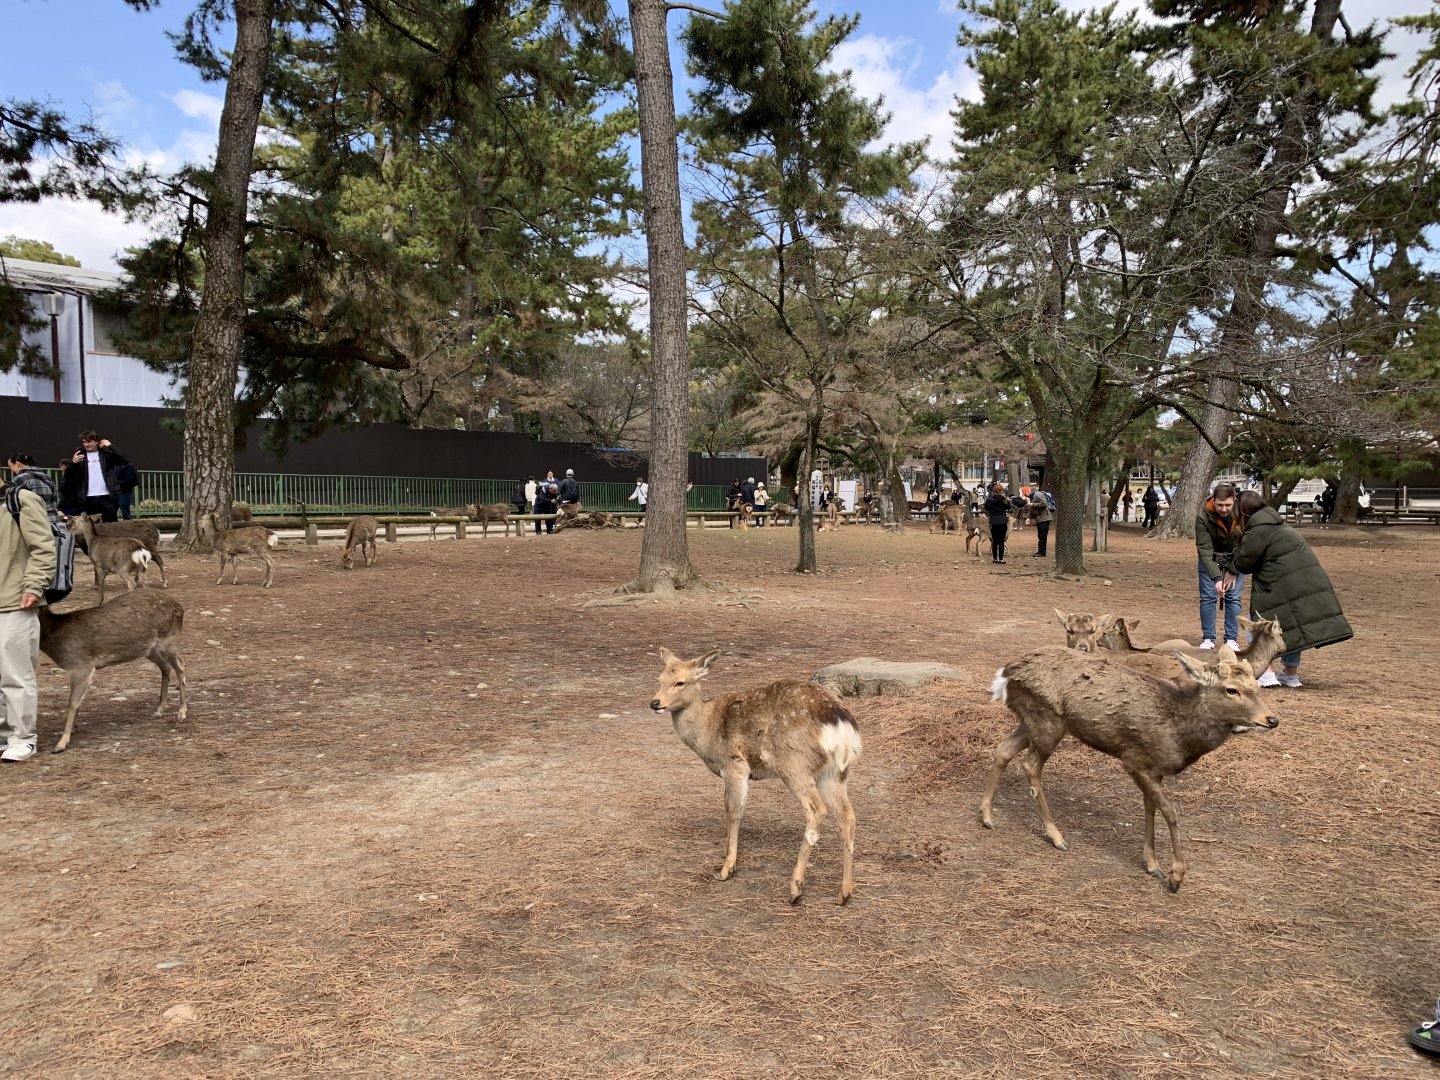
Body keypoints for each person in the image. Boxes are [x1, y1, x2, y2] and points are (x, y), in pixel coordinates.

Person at [1229, 489, 1352, 688]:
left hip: (1279, 583)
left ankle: (1266, 673)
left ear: (1242, 512)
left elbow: (1244, 563)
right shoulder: (1274, 522)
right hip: (1303, 580)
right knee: (1289, 627)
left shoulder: (1257, 529)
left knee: (1260, 625)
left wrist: (1235, 548)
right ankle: (1290, 674)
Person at [0, 472, 57, 762]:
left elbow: (44, 547)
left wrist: (34, 586)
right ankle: (2, 735)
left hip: (14, 601)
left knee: (15, 673)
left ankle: (23, 737)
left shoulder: (21, 500)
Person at [1195, 482, 1244, 651]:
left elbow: (1244, 545)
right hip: (1211, 558)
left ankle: (1231, 639)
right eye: (1220, 505)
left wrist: (1232, 570)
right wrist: (1216, 577)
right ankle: (1208, 637)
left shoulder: (1243, 514)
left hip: (1236, 559)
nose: (1224, 509)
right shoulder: (1203, 515)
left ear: (1235, 500)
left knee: (1233, 597)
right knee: (1208, 597)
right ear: (1213, 500)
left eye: (1228, 505)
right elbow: (1204, 548)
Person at [61, 430, 130, 523]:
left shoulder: (105, 455)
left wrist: (110, 446)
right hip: (88, 498)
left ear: (96, 441)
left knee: (111, 526)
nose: (86, 444)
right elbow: (68, 476)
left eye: (89, 441)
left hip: (107, 497)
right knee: (92, 527)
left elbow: (124, 460)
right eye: (84, 442)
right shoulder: (79, 456)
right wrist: (73, 463)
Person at [983, 482, 1011, 565]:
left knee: (994, 540)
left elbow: (986, 508)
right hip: (1002, 520)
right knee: (1001, 541)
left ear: (993, 491)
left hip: (993, 521)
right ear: (1002, 490)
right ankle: (1001, 559)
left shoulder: (989, 499)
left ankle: (995, 558)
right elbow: (1008, 507)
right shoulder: (1004, 499)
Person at [1028, 485, 1052, 558]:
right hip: (1041, 518)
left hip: (1044, 518)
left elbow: (1044, 503)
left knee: (1042, 536)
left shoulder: (1038, 495)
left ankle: (1042, 552)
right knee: (1041, 535)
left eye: (1026, 493)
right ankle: (1041, 551)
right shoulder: (1034, 496)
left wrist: (1033, 504)